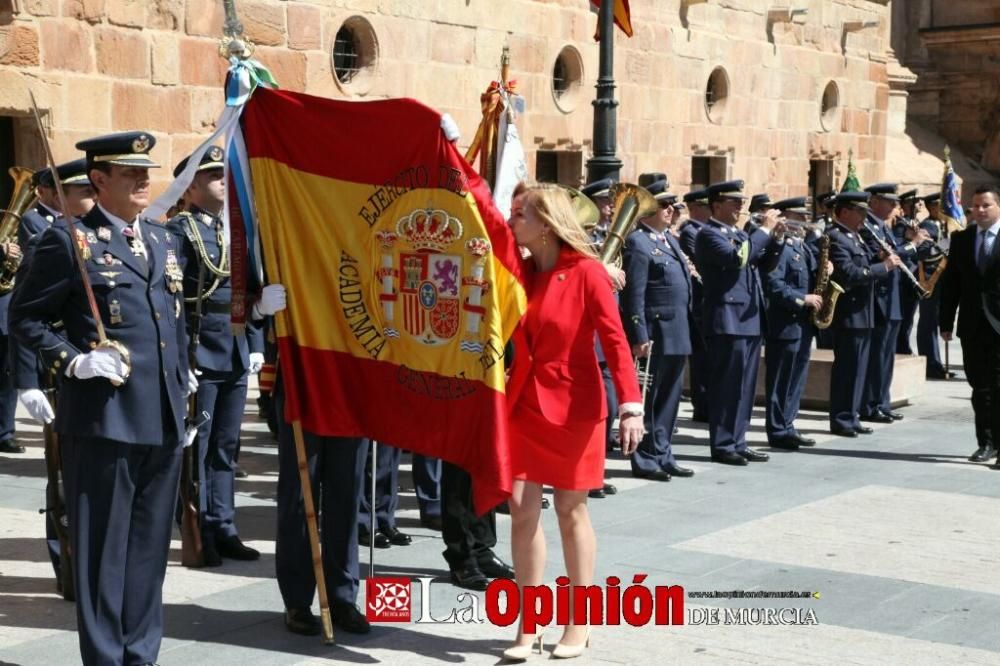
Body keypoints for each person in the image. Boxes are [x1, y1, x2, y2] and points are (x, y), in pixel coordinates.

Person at [9, 131, 196, 665]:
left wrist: (185, 380)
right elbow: (24, 317)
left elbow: (172, 321)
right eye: (129, 172)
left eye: (145, 171)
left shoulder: (162, 239)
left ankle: (142, 653)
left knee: (148, 552)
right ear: (98, 180)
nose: (143, 179)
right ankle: (107, 657)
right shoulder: (69, 241)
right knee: (102, 555)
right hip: (104, 419)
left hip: (160, 418)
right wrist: (74, 360)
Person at [503, 182, 643, 660]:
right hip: (522, 405)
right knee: (521, 511)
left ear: (545, 224)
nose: (512, 220)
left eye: (520, 214)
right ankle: (528, 624)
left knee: (570, 512)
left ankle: (579, 623)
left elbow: (615, 340)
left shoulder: (586, 273)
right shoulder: (518, 272)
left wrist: (631, 405)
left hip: (575, 409)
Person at [166, 147, 264, 566]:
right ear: (189, 187)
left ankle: (225, 526)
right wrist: (178, 360)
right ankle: (200, 529)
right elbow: (172, 302)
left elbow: (246, 294)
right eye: (211, 175)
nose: (222, 180)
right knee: (197, 450)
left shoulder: (235, 232)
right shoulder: (179, 232)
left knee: (226, 447)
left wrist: (256, 343)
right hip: (199, 353)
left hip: (236, 352)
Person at [11, 158, 95, 594]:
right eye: (82, 190)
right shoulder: (51, 240)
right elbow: (24, 316)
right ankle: (65, 561)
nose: (89, 197)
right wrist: (26, 381)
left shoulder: (104, 238)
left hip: (96, 374)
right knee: (60, 475)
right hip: (56, 373)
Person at [694, 180, 783, 466]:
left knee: (745, 387)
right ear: (716, 205)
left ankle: (739, 440)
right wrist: (763, 231)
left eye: (741, 203)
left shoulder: (738, 234)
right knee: (726, 385)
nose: (740, 208)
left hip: (748, 318)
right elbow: (737, 259)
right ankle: (722, 443)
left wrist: (776, 240)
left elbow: (762, 264)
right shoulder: (708, 234)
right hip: (727, 320)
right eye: (734, 202)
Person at [621, 180, 694, 481]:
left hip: (677, 331)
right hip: (655, 333)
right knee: (650, 400)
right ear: (647, 210)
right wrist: (639, 335)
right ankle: (646, 458)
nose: (671, 210)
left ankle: (663, 452)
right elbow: (634, 295)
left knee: (670, 398)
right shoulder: (638, 243)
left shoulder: (668, 240)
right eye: (664, 205)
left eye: (673, 206)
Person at [827, 192, 901, 436]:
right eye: (860, 212)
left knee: (859, 369)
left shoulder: (854, 237)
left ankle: (852, 415)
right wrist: (884, 266)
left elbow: (863, 264)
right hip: (849, 313)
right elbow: (850, 273)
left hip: (864, 313)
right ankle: (842, 418)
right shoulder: (836, 237)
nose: (863, 217)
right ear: (845, 211)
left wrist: (876, 257)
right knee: (847, 370)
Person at [940, 185, 1000, 467]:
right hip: (973, 326)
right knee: (981, 388)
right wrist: (945, 321)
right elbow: (951, 284)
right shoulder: (961, 239)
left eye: (985, 205)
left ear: (998, 207)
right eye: (975, 206)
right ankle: (986, 443)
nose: (979, 210)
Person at [859, 183, 927, 423]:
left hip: (892, 300)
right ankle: (870, 404)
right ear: (874, 201)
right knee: (877, 356)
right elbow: (889, 255)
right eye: (889, 202)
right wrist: (913, 244)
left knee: (887, 356)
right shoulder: (867, 226)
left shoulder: (883, 226)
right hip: (880, 300)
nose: (893, 207)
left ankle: (882, 402)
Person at [762, 197, 824, 450]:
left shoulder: (802, 247)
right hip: (785, 322)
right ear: (785, 218)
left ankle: (788, 424)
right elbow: (774, 285)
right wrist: (802, 299)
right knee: (780, 379)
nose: (802, 223)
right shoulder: (781, 247)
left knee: (796, 378)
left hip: (803, 324)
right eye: (797, 218)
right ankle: (777, 429)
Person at [678, 188, 711, 422]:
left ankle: (707, 402)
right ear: (696, 208)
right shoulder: (691, 232)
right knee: (701, 358)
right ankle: (702, 404)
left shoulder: (705, 231)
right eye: (707, 207)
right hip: (699, 303)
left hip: (706, 304)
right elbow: (702, 264)